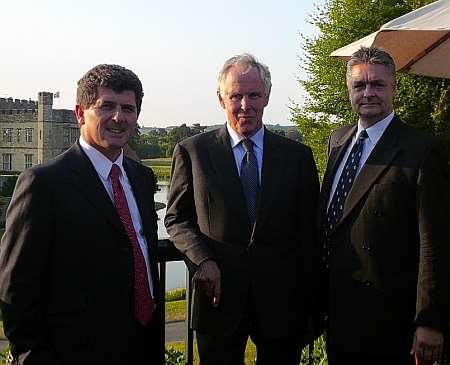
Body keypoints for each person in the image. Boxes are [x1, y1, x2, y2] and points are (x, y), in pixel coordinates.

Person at [165, 53, 321, 365]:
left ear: (267, 96)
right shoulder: (193, 151)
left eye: (253, 95)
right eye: (236, 95)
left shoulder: (297, 157)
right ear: (220, 98)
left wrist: (314, 306)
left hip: (281, 304)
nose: (245, 105)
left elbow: (310, 234)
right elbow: (176, 219)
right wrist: (203, 259)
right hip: (217, 299)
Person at [0, 64, 162, 365]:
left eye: (128, 108)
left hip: (141, 345)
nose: (118, 117)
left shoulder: (140, 177)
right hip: (75, 352)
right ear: (80, 112)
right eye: (106, 106)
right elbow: (16, 290)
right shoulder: (44, 183)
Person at [319, 46, 450, 365]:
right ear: (349, 91)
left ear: (394, 87)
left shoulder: (422, 150)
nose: (368, 93)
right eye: (359, 86)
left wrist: (429, 321)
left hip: (391, 322)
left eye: (377, 84)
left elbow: (434, 243)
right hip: (338, 316)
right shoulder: (338, 141)